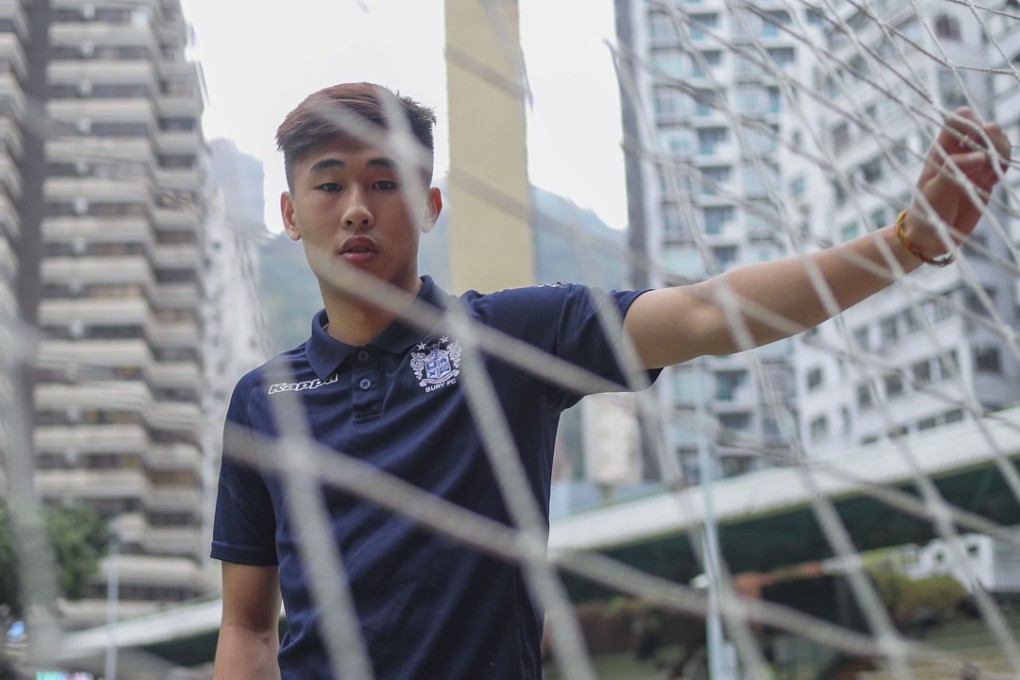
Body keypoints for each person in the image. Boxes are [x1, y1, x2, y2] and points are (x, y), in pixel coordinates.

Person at [210, 81, 1011, 679]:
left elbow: (706, 313)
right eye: (330, 184)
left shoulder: (508, 338)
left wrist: (906, 241)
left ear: (429, 205)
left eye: (385, 182)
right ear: (290, 211)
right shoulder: (261, 402)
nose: (357, 208)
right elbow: (247, 626)